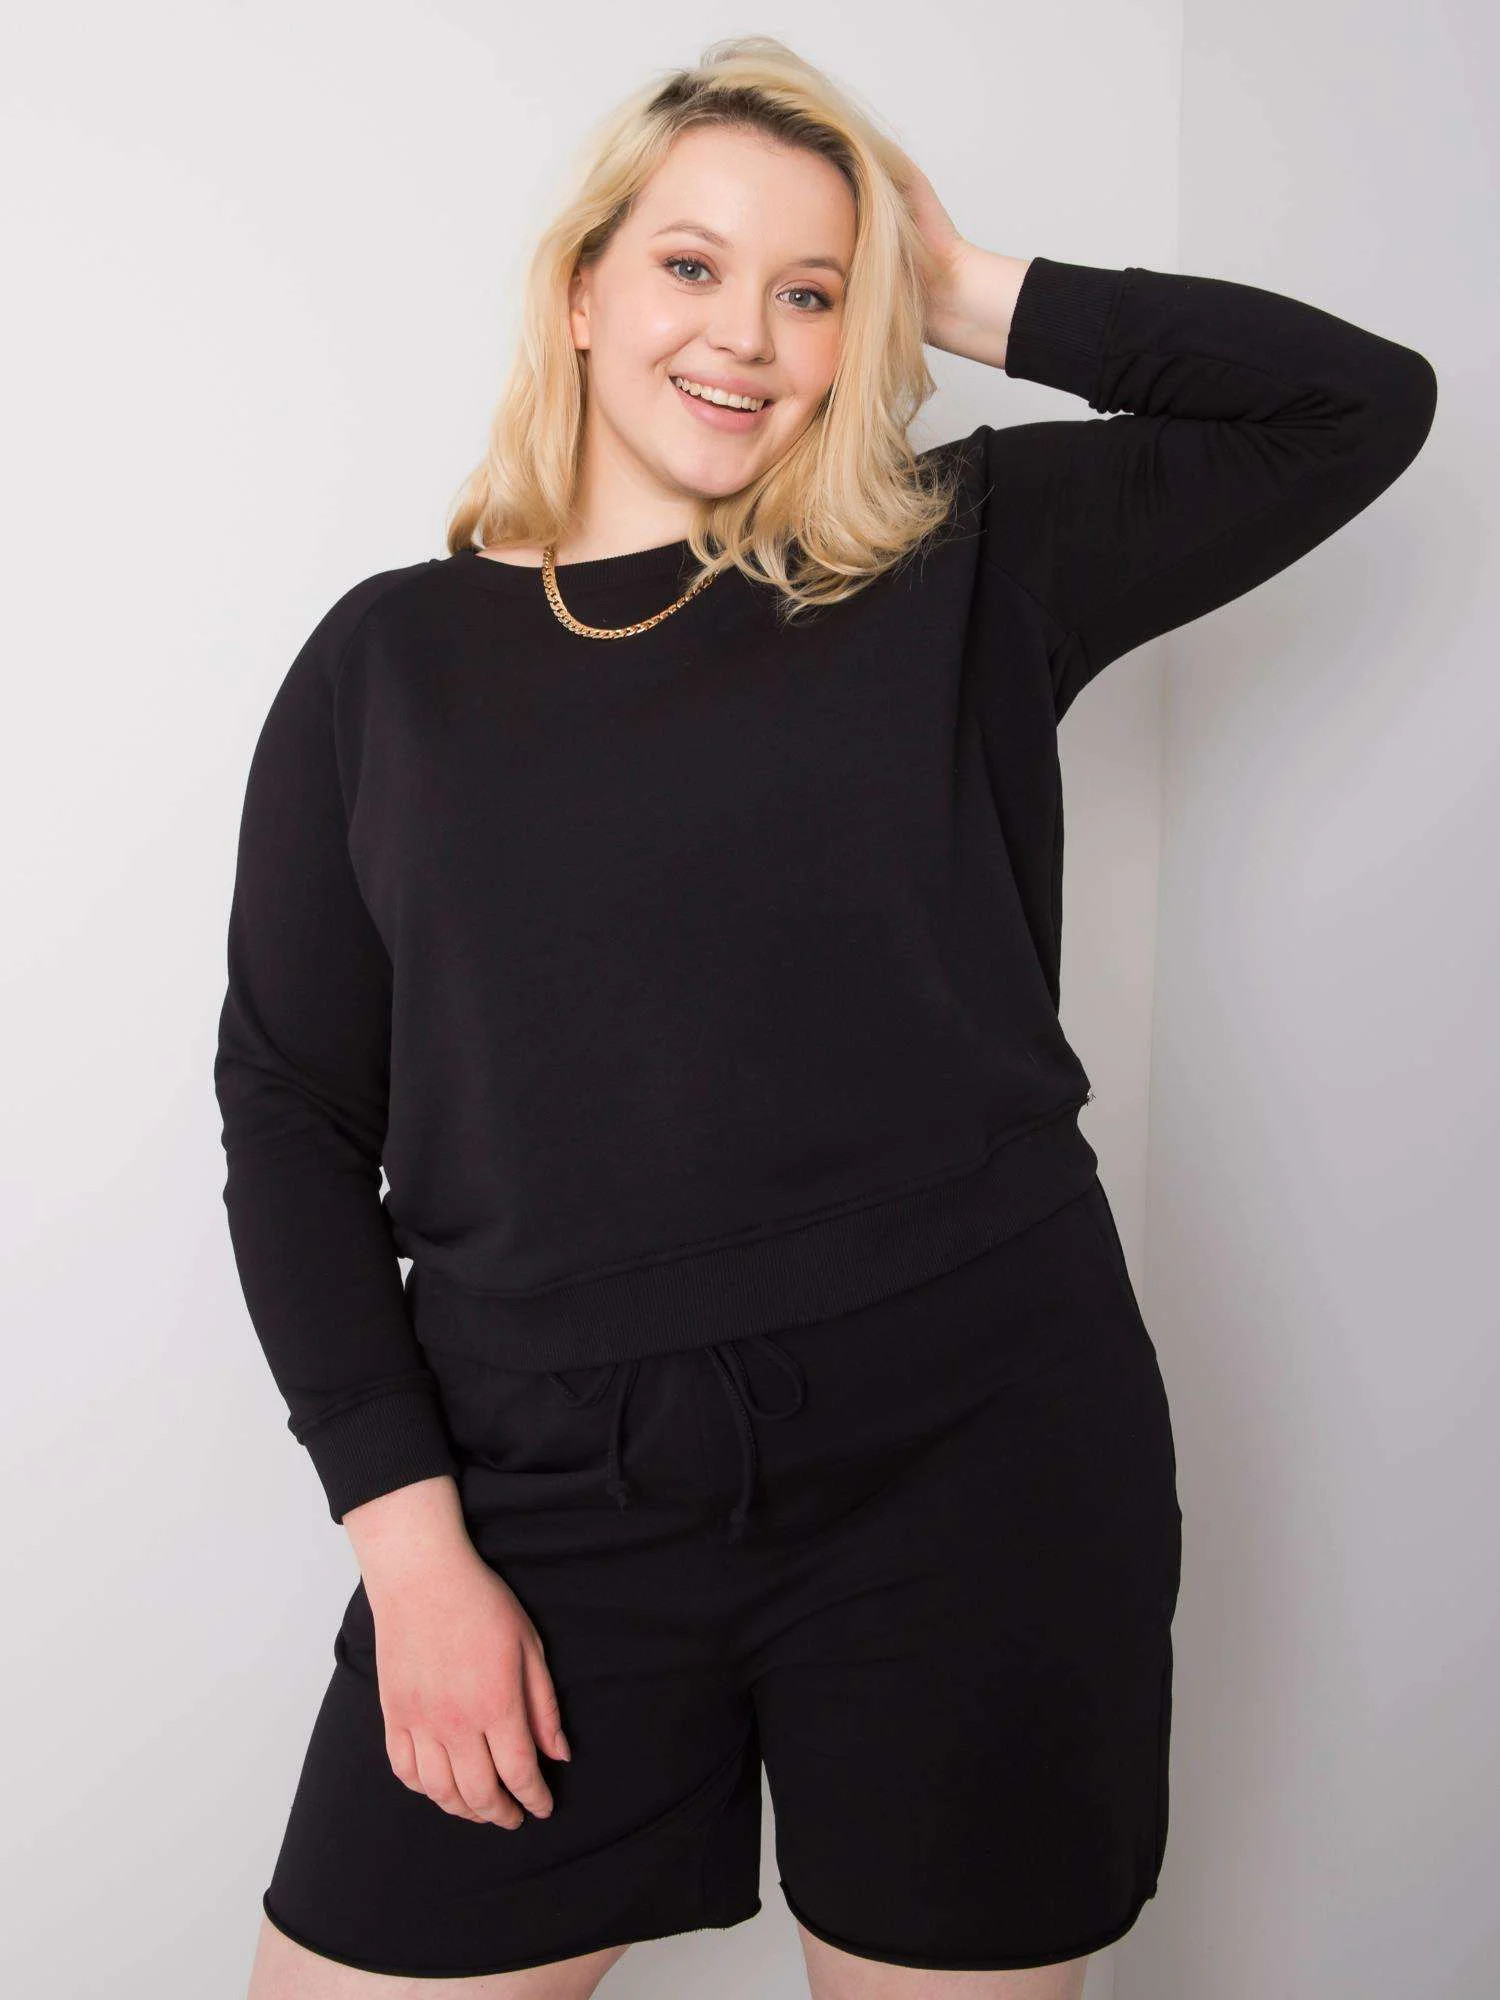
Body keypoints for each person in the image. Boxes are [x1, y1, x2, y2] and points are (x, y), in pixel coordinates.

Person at [214, 34, 1437, 2000]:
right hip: (541, 1494)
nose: (746, 334)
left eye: (812, 292)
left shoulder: (961, 561)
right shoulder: (388, 667)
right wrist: (413, 1556)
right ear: (583, 288)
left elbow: (1354, 406)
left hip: (980, 1456)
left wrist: (956, 285)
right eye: (692, 265)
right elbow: (289, 1115)